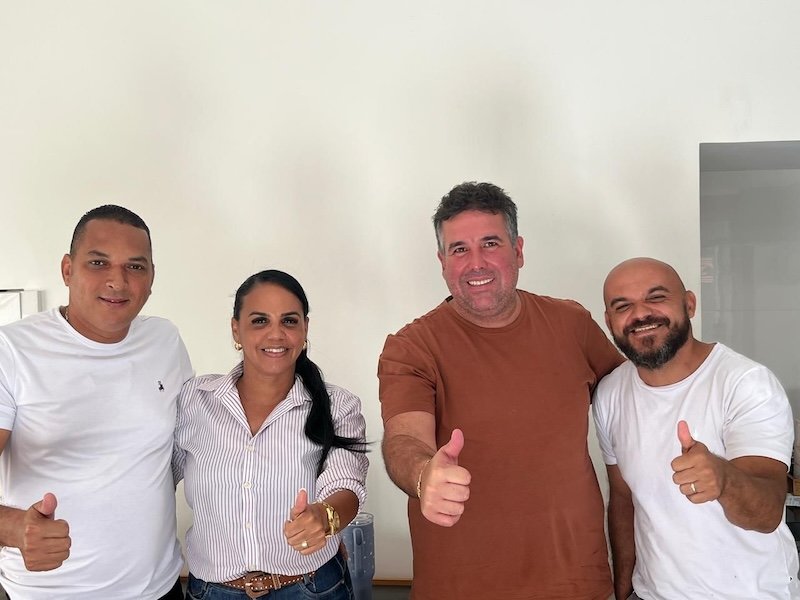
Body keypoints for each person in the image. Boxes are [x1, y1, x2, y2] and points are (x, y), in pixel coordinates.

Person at [378, 182, 623, 599]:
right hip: (460, 587)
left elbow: (634, 404)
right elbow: (404, 439)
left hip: (576, 582)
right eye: (459, 249)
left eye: (490, 244)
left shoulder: (572, 325)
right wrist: (423, 475)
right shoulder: (411, 347)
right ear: (442, 262)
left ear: (518, 250)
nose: (476, 263)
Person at [0, 205, 193, 599]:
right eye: (98, 262)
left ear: (151, 278)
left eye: (135, 267)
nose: (117, 281)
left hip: (159, 588)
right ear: (67, 269)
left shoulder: (164, 341)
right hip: (53, 593)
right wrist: (13, 528)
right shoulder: (12, 351)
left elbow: (189, 444)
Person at [593, 257, 800, 600]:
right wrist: (623, 588)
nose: (641, 314)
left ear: (689, 304)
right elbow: (624, 500)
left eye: (656, 297)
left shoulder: (746, 383)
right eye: (623, 306)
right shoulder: (610, 393)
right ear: (609, 321)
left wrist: (724, 479)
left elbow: (767, 513)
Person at [174, 269, 369, 600]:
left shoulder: (338, 405)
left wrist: (324, 518)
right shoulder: (195, 400)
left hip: (311, 588)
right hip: (212, 591)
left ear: (305, 329)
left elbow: (347, 484)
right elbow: (153, 477)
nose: (276, 334)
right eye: (260, 321)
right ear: (236, 329)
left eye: (289, 321)